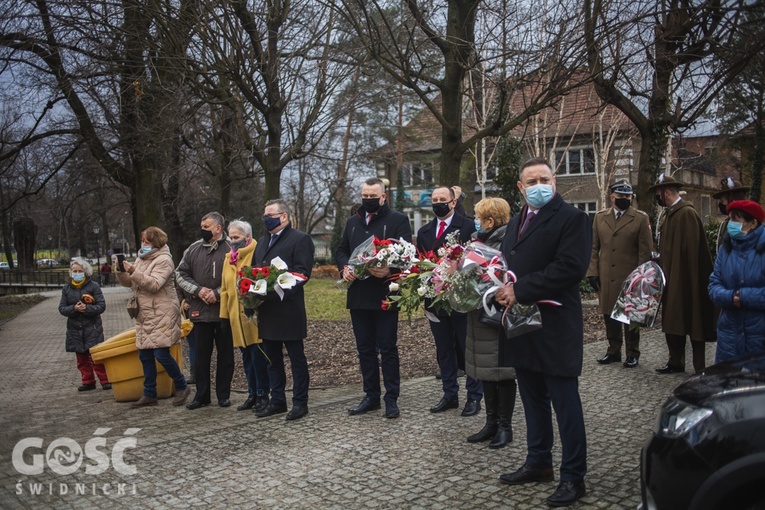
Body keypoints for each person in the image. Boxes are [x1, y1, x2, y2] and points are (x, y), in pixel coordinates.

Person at [494, 157, 591, 507]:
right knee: (532, 400)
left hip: (555, 326)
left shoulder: (573, 218)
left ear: (555, 182)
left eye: (544, 179)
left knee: (566, 404)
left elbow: (570, 267)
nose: (539, 185)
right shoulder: (517, 220)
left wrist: (521, 289)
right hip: (523, 326)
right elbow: (510, 261)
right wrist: (492, 281)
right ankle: (539, 462)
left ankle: (573, 476)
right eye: (531, 180)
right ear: (521, 187)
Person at [337, 177, 412, 419]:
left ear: (383, 196)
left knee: (388, 348)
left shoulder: (398, 220)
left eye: (373, 196)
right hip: (358, 294)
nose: (368, 200)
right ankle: (371, 396)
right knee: (364, 349)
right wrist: (344, 268)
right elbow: (341, 250)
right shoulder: (352, 222)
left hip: (386, 293)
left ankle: (391, 398)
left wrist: (390, 270)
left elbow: (406, 254)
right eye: (364, 196)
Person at [416, 185, 481, 416]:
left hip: (461, 298)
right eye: (434, 199)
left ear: (453, 202)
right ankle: (450, 394)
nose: (437, 203)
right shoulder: (424, 231)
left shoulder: (468, 226)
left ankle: (474, 396)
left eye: (442, 199)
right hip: (435, 300)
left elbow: (477, 259)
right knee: (444, 349)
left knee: (467, 347)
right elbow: (420, 263)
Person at [252, 200, 314, 421]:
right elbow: (254, 270)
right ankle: (277, 400)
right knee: (272, 359)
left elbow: (302, 272)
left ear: (284, 216)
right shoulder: (262, 241)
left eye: (271, 214)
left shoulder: (300, 239)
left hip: (288, 309)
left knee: (296, 358)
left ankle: (300, 402)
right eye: (264, 214)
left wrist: (275, 287)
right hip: (267, 310)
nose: (266, 218)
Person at [115, 227, 190, 408]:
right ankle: (150, 393)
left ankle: (181, 385)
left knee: (161, 353)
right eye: (142, 242)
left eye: (147, 242)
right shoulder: (142, 259)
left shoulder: (164, 260)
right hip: (145, 313)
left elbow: (154, 284)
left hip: (162, 312)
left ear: (156, 242)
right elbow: (131, 283)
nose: (144, 245)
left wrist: (134, 271)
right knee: (145, 354)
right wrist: (121, 271)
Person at [650, 174, 717, 374]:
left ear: (667, 192)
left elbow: (694, 253)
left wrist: (688, 279)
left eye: (658, 193)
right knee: (672, 320)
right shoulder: (669, 214)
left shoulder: (687, 213)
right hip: (671, 277)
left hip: (687, 280)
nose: (657, 197)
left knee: (693, 320)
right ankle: (675, 361)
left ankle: (699, 367)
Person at [464, 197, 516, 449]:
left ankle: (505, 426)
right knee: (486, 370)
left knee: (502, 371)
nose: (475, 220)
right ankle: (491, 422)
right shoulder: (478, 241)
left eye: (478, 216)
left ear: (491, 220)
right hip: (478, 314)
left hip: (498, 315)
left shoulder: (508, 240)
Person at [587, 182, 653, 368]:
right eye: (620, 196)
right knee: (609, 314)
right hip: (607, 275)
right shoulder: (600, 218)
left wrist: (641, 278)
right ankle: (613, 350)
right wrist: (592, 272)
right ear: (612, 197)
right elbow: (593, 248)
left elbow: (645, 251)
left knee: (631, 316)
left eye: (628, 197)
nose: (624, 199)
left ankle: (633, 352)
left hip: (630, 277)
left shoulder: (640, 218)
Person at [176, 212, 235, 409]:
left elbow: (238, 276)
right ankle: (201, 396)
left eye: (207, 226)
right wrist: (198, 290)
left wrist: (217, 293)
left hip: (224, 311)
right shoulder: (193, 249)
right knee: (201, 357)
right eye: (202, 225)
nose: (203, 229)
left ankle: (223, 395)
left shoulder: (231, 248)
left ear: (218, 228)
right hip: (199, 312)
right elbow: (180, 274)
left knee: (225, 355)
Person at [219, 219, 270, 413]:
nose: (232, 241)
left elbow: (261, 280)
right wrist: (224, 316)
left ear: (247, 237)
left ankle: (263, 394)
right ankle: (252, 394)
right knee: (247, 359)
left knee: (258, 358)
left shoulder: (256, 253)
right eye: (230, 237)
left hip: (253, 317)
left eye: (236, 237)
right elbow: (225, 289)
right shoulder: (228, 258)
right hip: (236, 318)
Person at [708, 200, 765, 363]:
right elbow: (714, 284)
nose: (731, 225)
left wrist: (745, 296)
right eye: (730, 219)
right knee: (728, 384)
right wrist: (730, 296)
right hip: (729, 335)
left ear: (753, 223)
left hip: (758, 336)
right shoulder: (726, 249)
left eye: (736, 220)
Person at [59, 258, 110, 391]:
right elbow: (62, 308)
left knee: (96, 357)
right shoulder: (66, 289)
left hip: (92, 328)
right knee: (81, 359)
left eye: (79, 271)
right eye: (74, 271)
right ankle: (88, 381)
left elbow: (101, 306)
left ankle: (105, 380)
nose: (77, 273)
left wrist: (86, 309)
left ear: (85, 272)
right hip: (75, 329)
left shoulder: (93, 286)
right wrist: (74, 309)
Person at [712, 177, 750, 250]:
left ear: (732, 200)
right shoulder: (727, 223)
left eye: (723, 201)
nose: (721, 205)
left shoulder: (749, 225)